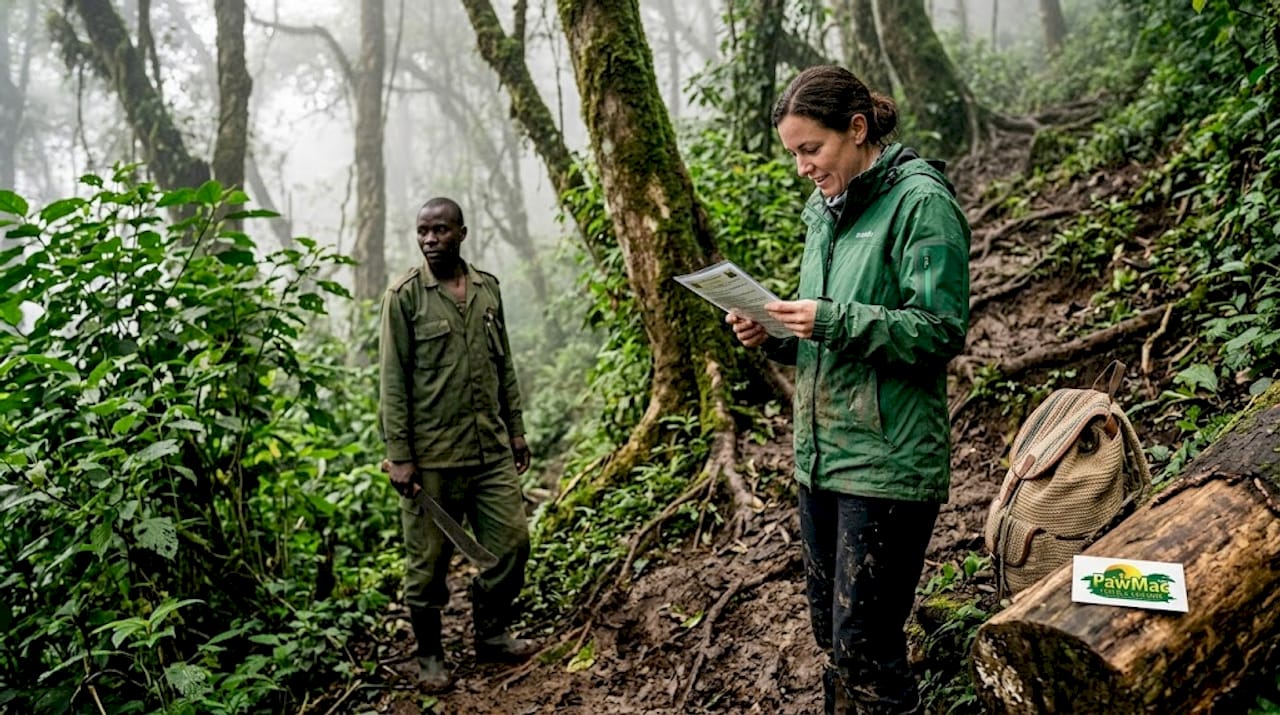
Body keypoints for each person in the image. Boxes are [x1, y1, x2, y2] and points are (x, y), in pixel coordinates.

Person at [726, 66, 970, 714]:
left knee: (866, 646)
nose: (803, 166)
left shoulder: (921, 201)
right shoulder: (823, 210)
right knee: (832, 639)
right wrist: (774, 331)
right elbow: (824, 334)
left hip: (887, 463)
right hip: (821, 456)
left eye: (812, 149)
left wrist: (832, 317)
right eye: (794, 154)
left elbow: (941, 329)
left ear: (856, 129)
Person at [378, 197, 537, 692]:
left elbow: (503, 365)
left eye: (441, 231)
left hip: (489, 450)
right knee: (427, 569)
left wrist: (516, 429)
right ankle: (429, 657)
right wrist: (401, 457)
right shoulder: (404, 296)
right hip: (432, 460)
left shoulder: (487, 290)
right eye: (423, 231)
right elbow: (392, 381)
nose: (430, 240)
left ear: (461, 233)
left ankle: (490, 634)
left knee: (512, 544)